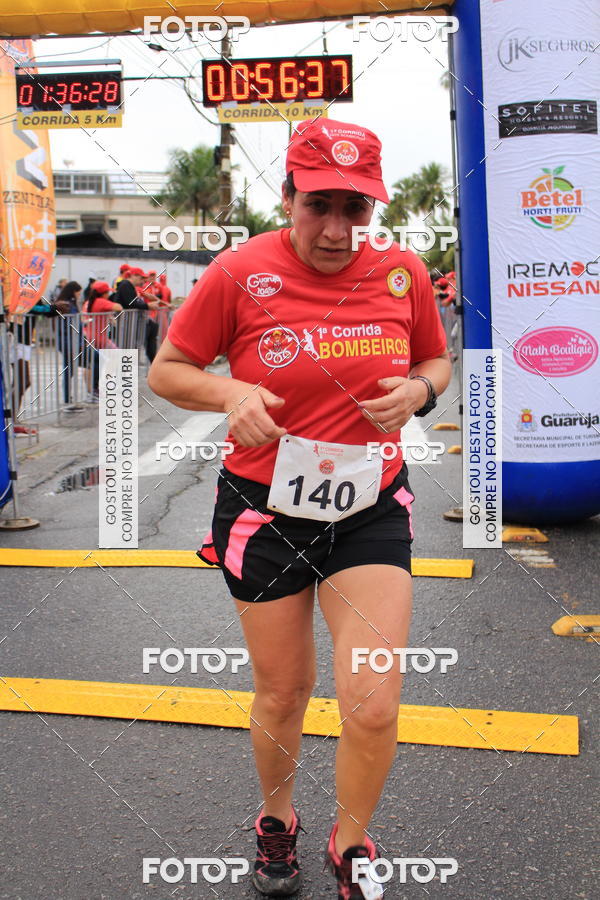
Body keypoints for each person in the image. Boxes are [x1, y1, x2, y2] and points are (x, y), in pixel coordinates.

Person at [148, 118, 451, 899]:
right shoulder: (239, 272)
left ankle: (350, 843)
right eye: (320, 204)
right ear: (286, 196)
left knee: (375, 701)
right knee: (284, 692)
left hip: (369, 506)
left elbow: (435, 359)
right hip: (265, 508)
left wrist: (419, 391)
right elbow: (169, 370)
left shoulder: (402, 273)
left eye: (357, 208)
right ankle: (276, 819)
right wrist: (232, 391)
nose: (338, 228)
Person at [81, 280, 121, 398]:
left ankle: (92, 389)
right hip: (98, 338)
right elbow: (118, 307)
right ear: (103, 293)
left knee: (90, 364)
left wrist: (108, 315)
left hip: (89, 336)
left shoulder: (88, 302)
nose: (109, 295)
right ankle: (96, 387)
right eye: (107, 292)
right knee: (99, 362)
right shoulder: (101, 301)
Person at [54, 280, 83, 406]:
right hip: (69, 341)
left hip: (69, 340)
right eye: (78, 292)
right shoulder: (67, 305)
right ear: (73, 292)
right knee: (69, 370)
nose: (79, 295)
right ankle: (67, 398)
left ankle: (68, 397)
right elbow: (70, 325)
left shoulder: (66, 303)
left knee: (70, 370)